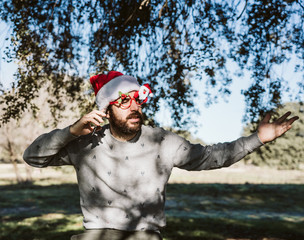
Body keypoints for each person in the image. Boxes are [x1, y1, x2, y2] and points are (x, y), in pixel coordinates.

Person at [23, 71, 299, 240]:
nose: (134, 106)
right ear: (106, 110)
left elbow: (213, 157)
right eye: (123, 100)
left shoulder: (163, 141)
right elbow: (34, 157)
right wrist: (71, 131)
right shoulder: (84, 142)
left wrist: (258, 138)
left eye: (138, 99)